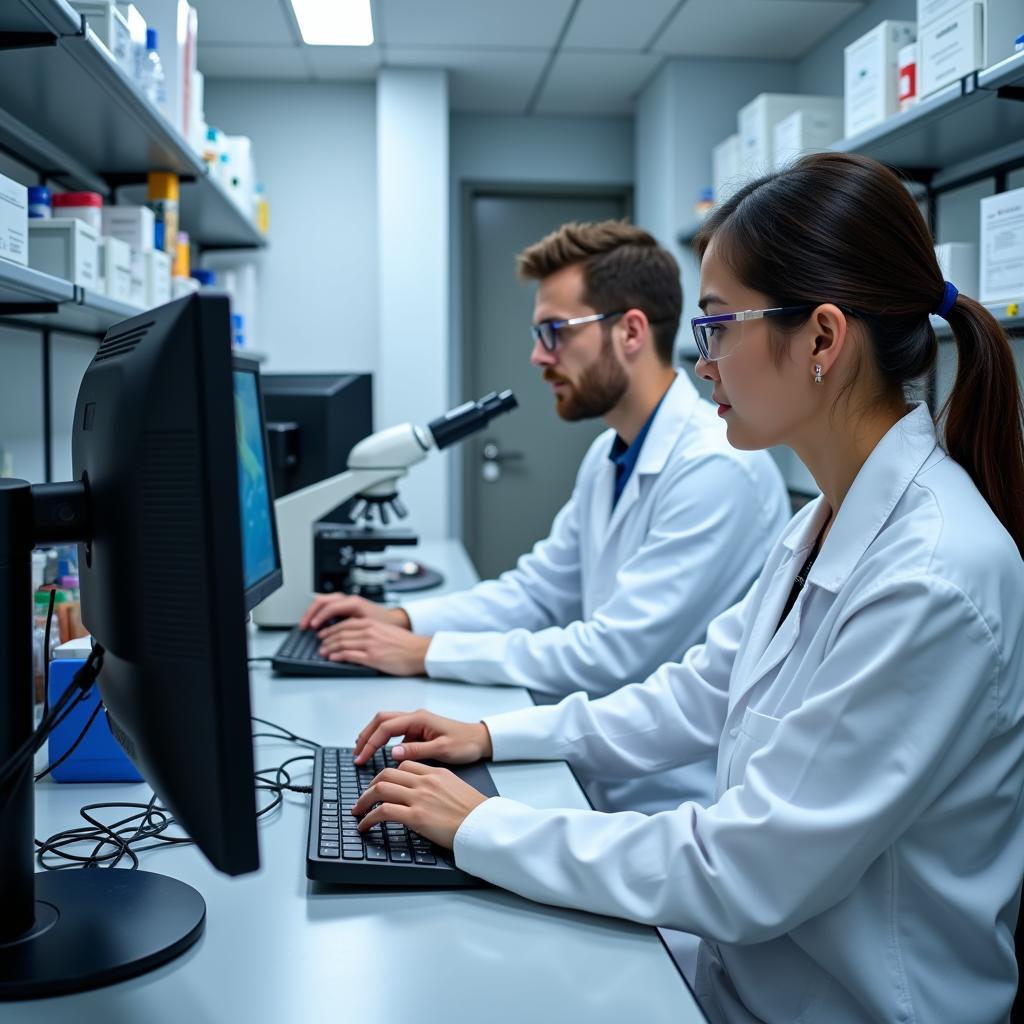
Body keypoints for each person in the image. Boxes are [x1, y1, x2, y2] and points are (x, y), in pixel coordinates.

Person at [344, 153, 1024, 1023]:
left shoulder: (934, 576)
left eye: (718, 327)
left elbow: (746, 870)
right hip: (747, 973)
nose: (704, 365)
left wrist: (479, 827)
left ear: (821, 338)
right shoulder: (825, 520)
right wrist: (487, 736)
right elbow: (692, 694)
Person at [300, 220, 790, 814]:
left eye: (553, 332)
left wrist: (424, 651)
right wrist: (401, 617)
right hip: (583, 765)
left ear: (630, 331)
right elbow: (537, 591)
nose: (538, 356)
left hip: (662, 798)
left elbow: (612, 653)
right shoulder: (611, 452)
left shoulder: (716, 469)